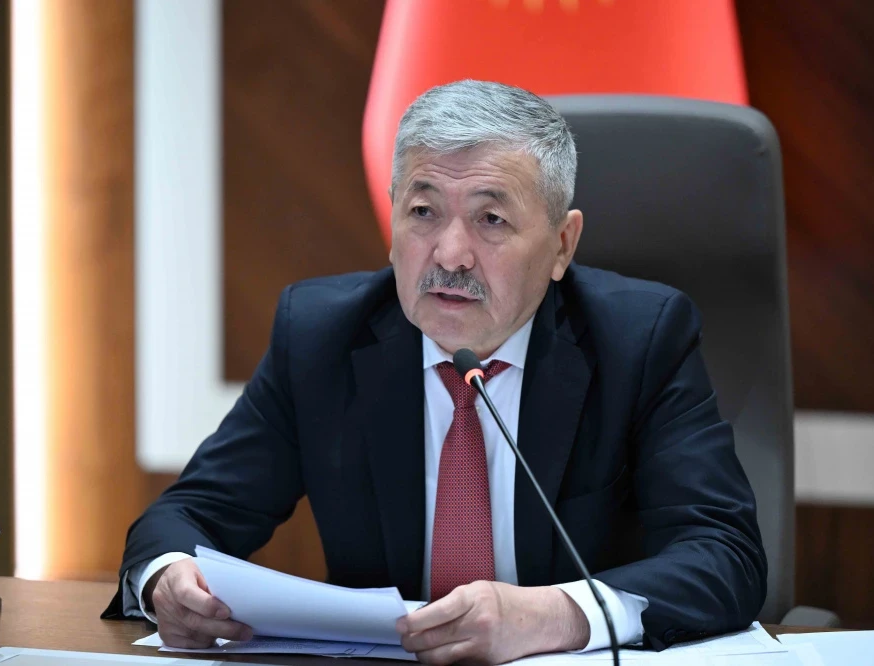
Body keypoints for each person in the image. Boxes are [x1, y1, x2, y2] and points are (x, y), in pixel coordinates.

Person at [103, 80, 766, 664]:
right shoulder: (321, 338)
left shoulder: (639, 341)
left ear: (562, 244)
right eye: (423, 213)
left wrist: (556, 615)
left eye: (491, 219)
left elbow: (725, 556)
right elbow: (188, 516)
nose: (450, 254)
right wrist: (168, 579)